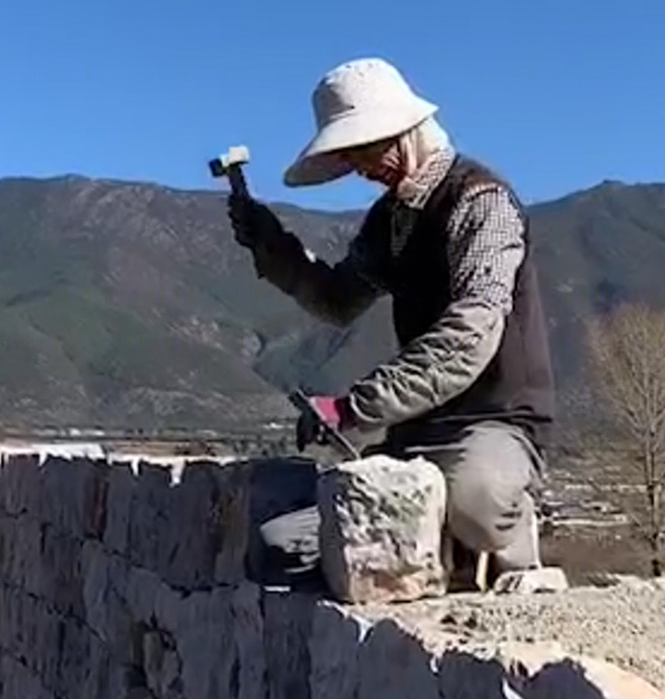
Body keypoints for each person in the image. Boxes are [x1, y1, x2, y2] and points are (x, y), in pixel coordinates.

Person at [228, 56, 556, 589]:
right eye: (349, 154)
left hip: (494, 425)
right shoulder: (390, 220)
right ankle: (439, 552)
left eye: (365, 147)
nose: (359, 166)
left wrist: (355, 407)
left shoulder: (481, 202)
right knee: (282, 546)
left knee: (476, 496)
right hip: (418, 432)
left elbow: (468, 337)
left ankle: (517, 555)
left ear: (403, 128)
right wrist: (271, 244)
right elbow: (337, 298)